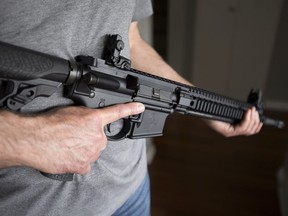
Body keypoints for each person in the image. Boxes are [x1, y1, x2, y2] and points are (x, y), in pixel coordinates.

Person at [0, 0, 262, 215]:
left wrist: (209, 110)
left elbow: (132, 42)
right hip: (35, 205)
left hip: (130, 190)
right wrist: (30, 139)